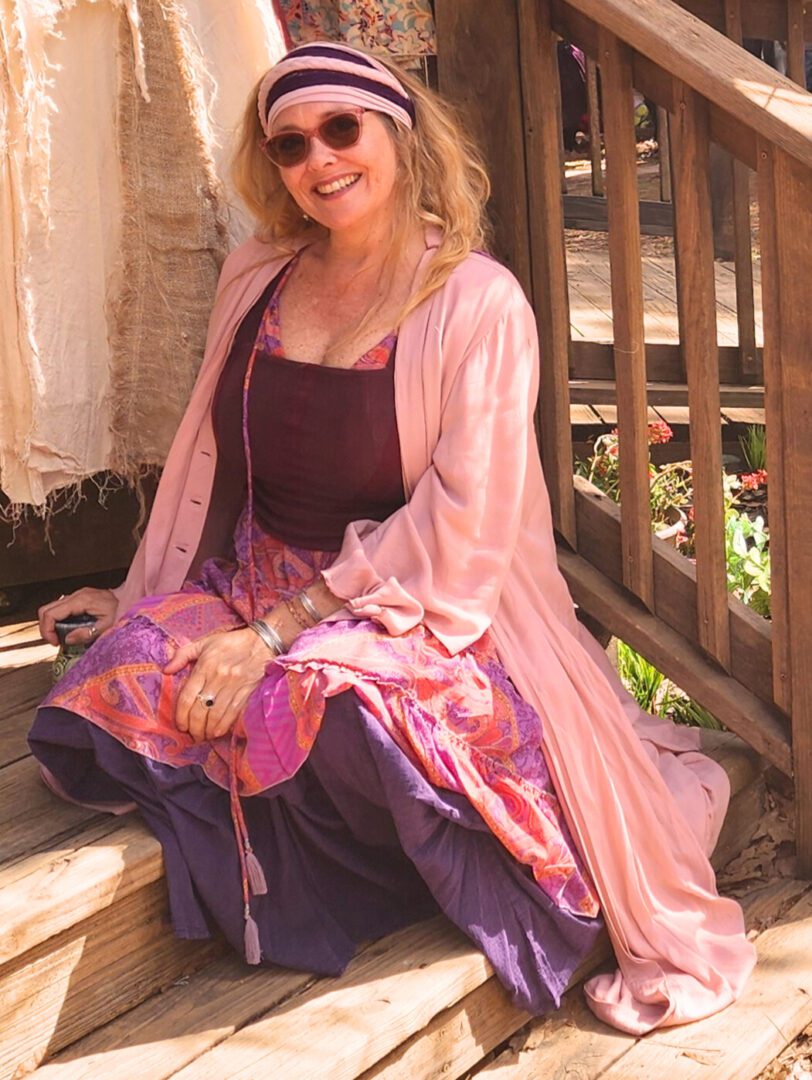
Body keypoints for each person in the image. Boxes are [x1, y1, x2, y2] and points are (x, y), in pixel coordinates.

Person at [29, 42, 755, 1035]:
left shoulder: (473, 300)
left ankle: (393, 871)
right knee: (100, 687)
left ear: (398, 135)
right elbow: (212, 464)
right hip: (258, 579)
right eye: (290, 144)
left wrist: (282, 632)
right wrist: (142, 591)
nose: (318, 160)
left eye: (341, 129)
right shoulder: (258, 272)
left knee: (334, 709)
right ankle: (310, 827)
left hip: (411, 603)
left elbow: (465, 519)